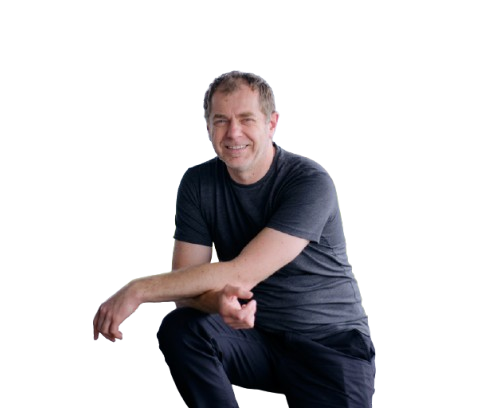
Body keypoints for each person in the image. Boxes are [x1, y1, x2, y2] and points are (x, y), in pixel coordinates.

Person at [93, 70, 376, 407]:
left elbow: (242, 273)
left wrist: (137, 289)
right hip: (256, 338)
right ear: (208, 126)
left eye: (246, 119)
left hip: (329, 345)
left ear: (272, 123)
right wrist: (219, 304)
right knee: (181, 328)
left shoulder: (309, 182)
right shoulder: (198, 183)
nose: (233, 133)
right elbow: (185, 290)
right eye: (221, 121)